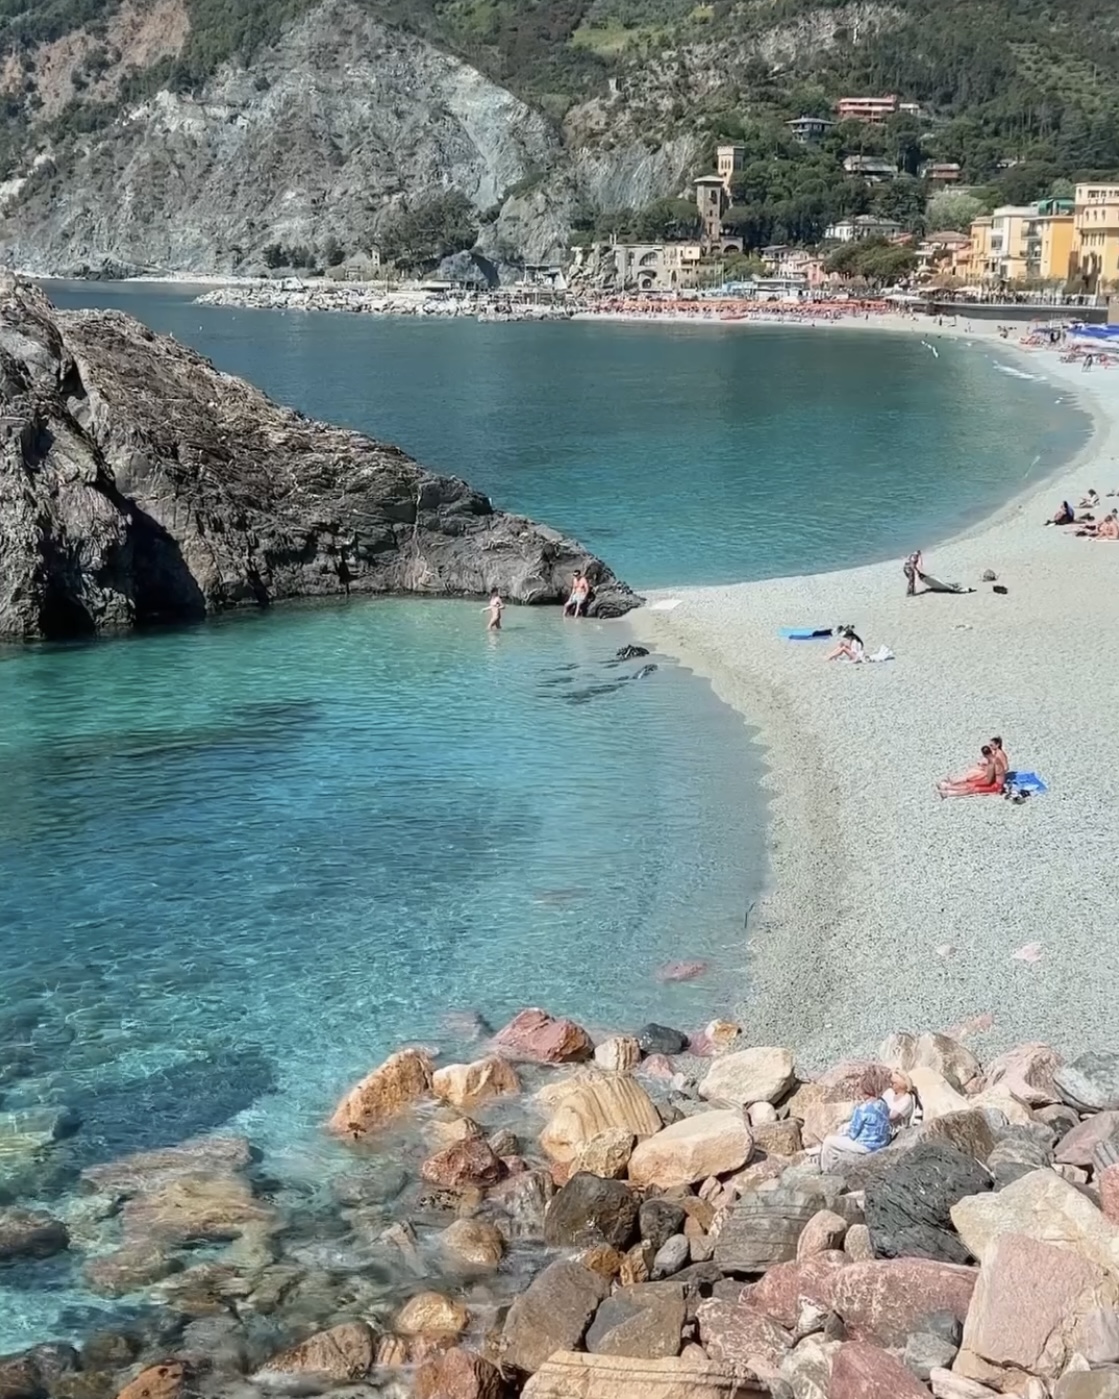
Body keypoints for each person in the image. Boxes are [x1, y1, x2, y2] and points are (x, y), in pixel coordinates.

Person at [820, 1073, 893, 1173]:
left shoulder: (862, 1109)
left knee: (828, 1142)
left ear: (864, 1089)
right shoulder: (882, 1103)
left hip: (866, 1146)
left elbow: (853, 1134)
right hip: (881, 1142)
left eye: (858, 1086)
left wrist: (842, 1130)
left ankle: (827, 1170)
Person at [937, 744, 1003, 798]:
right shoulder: (995, 758)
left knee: (973, 787)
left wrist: (976, 782)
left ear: (984, 755)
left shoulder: (992, 764)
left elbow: (988, 781)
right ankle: (948, 787)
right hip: (996, 781)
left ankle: (949, 793)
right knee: (972, 783)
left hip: (997, 787)